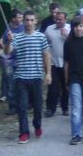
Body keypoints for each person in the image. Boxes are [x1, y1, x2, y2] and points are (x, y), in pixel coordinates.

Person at [4, 11, 51, 143]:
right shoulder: (17, 37)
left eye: (31, 20)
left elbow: (46, 55)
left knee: (38, 105)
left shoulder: (41, 37)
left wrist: (48, 73)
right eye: (27, 20)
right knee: (22, 106)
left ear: (35, 21)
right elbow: (7, 52)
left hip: (36, 76)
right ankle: (24, 132)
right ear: (23, 21)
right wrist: (9, 41)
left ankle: (37, 125)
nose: (29, 23)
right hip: (21, 77)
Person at [0, 10, 24, 114]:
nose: (21, 19)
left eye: (21, 17)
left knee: (22, 82)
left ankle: (24, 103)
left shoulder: (24, 28)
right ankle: (12, 106)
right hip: (9, 60)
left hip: (21, 59)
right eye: (19, 17)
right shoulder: (7, 29)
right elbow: (1, 43)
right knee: (10, 83)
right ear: (13, 18)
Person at [44, 11, 70, 117]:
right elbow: (44, 44)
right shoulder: (49, 29)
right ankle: (51, 108)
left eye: (60, 19)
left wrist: (67, 36)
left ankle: (65, 107)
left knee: (65, 86)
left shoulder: (71, 29)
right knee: (53, 87)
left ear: (65, 19)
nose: (58, 21)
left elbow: (76, 42)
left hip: (66, 62)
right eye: (56, 19)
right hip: (53, 62)